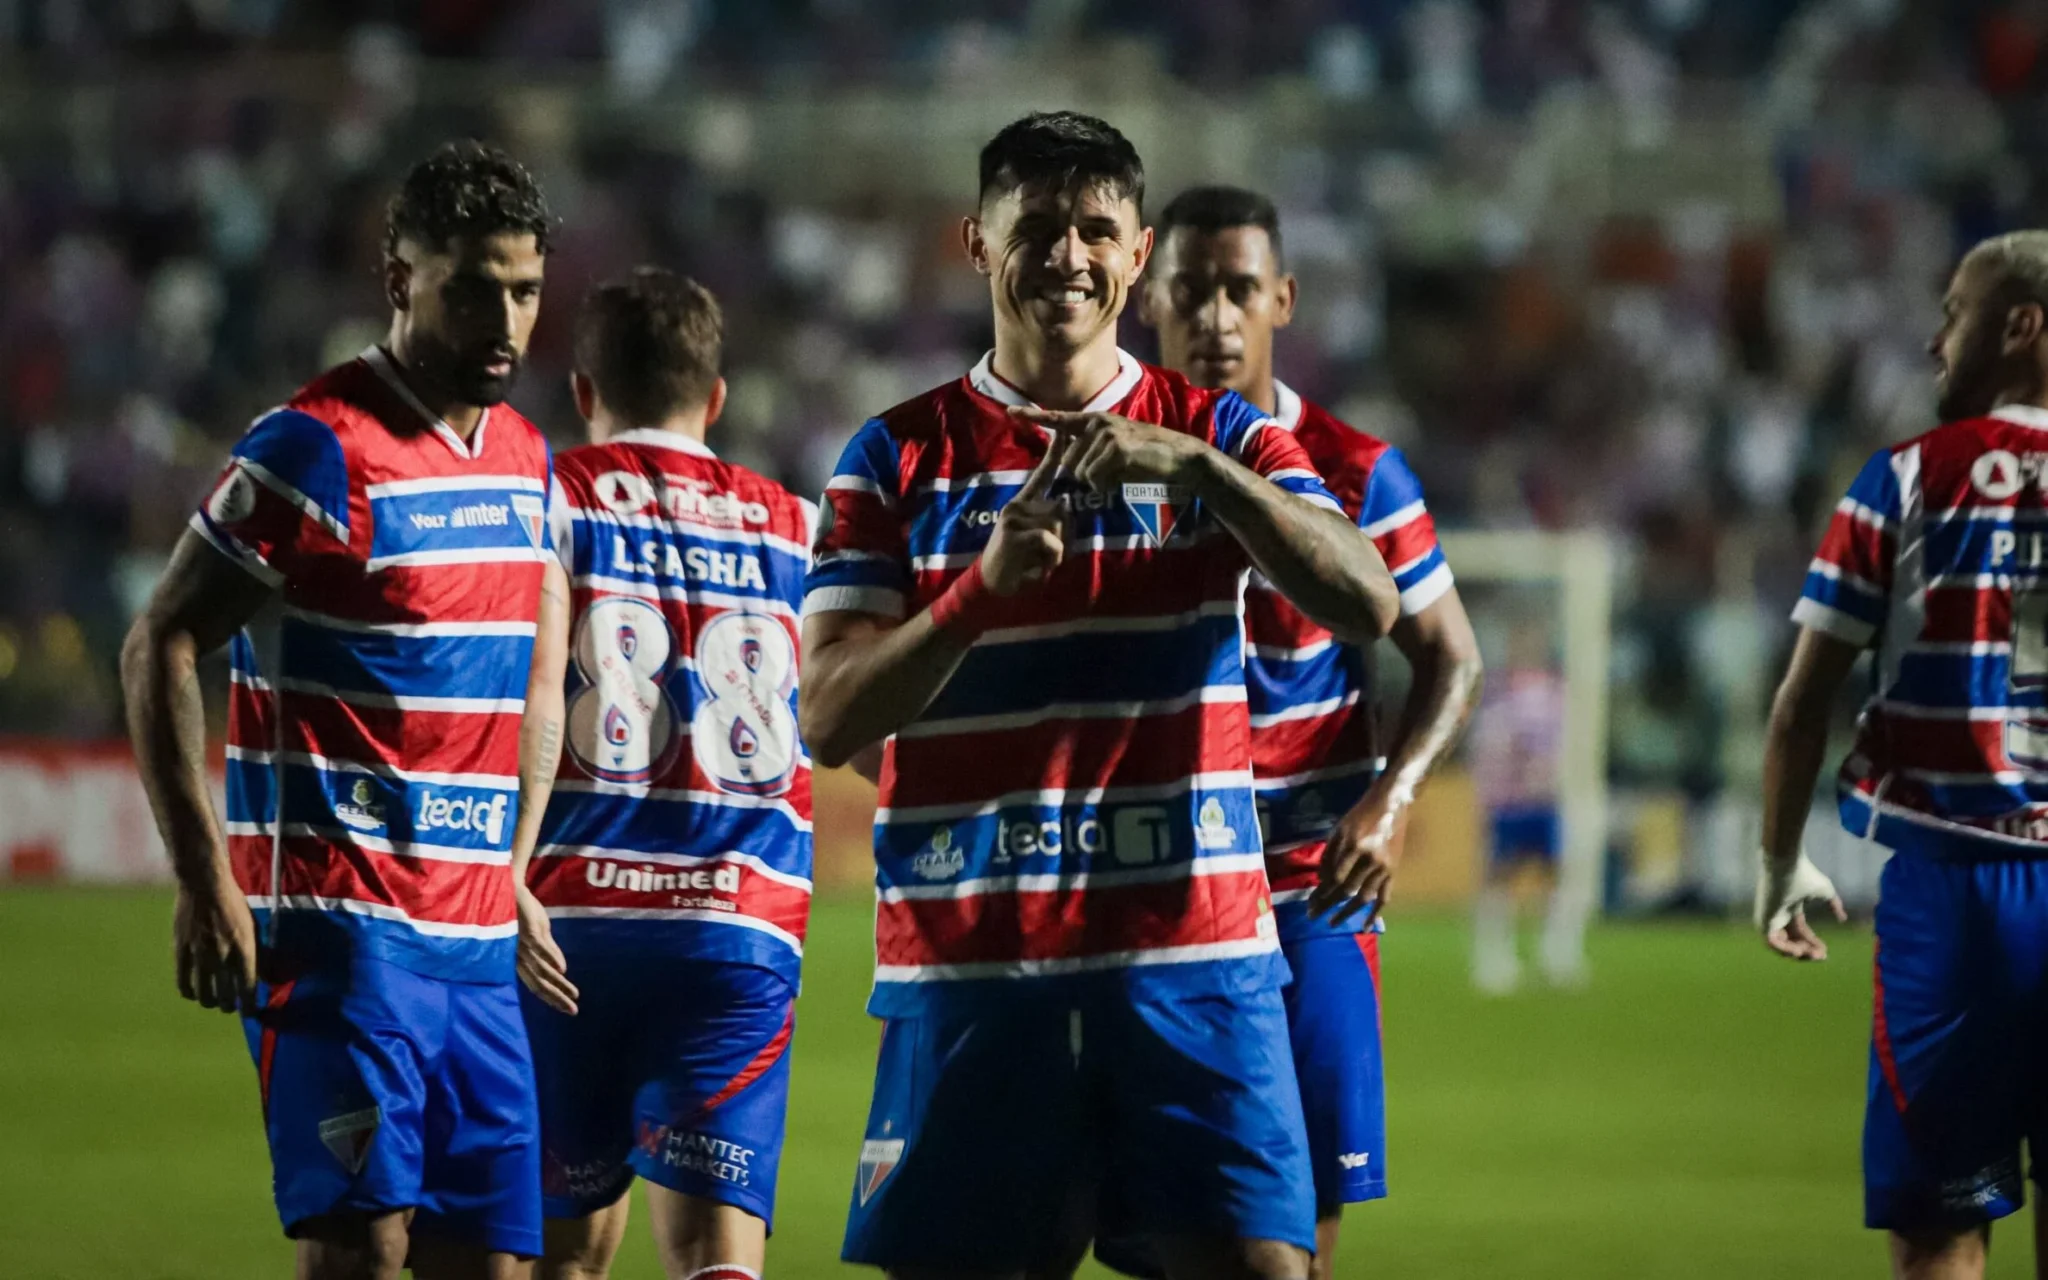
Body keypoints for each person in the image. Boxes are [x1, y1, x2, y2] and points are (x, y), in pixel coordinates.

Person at [801, 110, 1401, 1280]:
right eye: (1037, 227)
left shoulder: (1214, 434)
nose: (1066, 256)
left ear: (1135, 256)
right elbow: (827, 718)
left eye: (1094, 230)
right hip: (973, 967)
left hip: (1193, 961)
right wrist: (978, 592)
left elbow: (1365, 598)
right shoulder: (892, 456)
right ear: (976, 243)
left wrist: (1198, 473)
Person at [120, 141, 564, 1279]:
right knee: (364, 1256)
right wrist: (201, 872)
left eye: (522, 287)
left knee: (495, 1266)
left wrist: (510, 871)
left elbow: (509, 696)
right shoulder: (313, 445)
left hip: (475, 946)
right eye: (469, 287)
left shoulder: (525, 459)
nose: (503, 320)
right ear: (398, 278)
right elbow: (162, 635)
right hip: (339, 932)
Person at [1122, 184, 1482, 1280]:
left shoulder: (1357, 469)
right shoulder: (1111, 457)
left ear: (1282, 297)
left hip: (1306, 882)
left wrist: (1393, 795)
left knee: (1303, 1233)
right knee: (1166, 1230)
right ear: (1151, 302)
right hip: (1162, 889)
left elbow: (1450, 655)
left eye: (1239, 290)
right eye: (1191, 291)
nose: (1216, 318)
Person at [511, 268, 815, 1280]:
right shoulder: (798, 525)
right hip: (733, 924)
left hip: (569, 921)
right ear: (716, 396)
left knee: (558, 1252)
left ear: (584, 389)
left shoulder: (548, 498)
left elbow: (534, 694)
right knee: (712, 1257)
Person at [1760, 229, 2048, 1280]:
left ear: (2019, 326)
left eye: (1953, 314)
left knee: (1940, 1229)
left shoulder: (1903, 481)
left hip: (1959, 890)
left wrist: (1774, 856)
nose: (1933, 343)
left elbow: (1801, 702)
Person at [1467, 620, 1574, 995]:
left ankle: (1556, 953)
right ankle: (1493, 957)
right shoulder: (1498, 693)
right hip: (1507, 800)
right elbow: (1489, 747)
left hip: (1544, 799)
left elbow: (1561, 747)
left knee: (1553, 875)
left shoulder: (1555, 691)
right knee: (1500, 877)